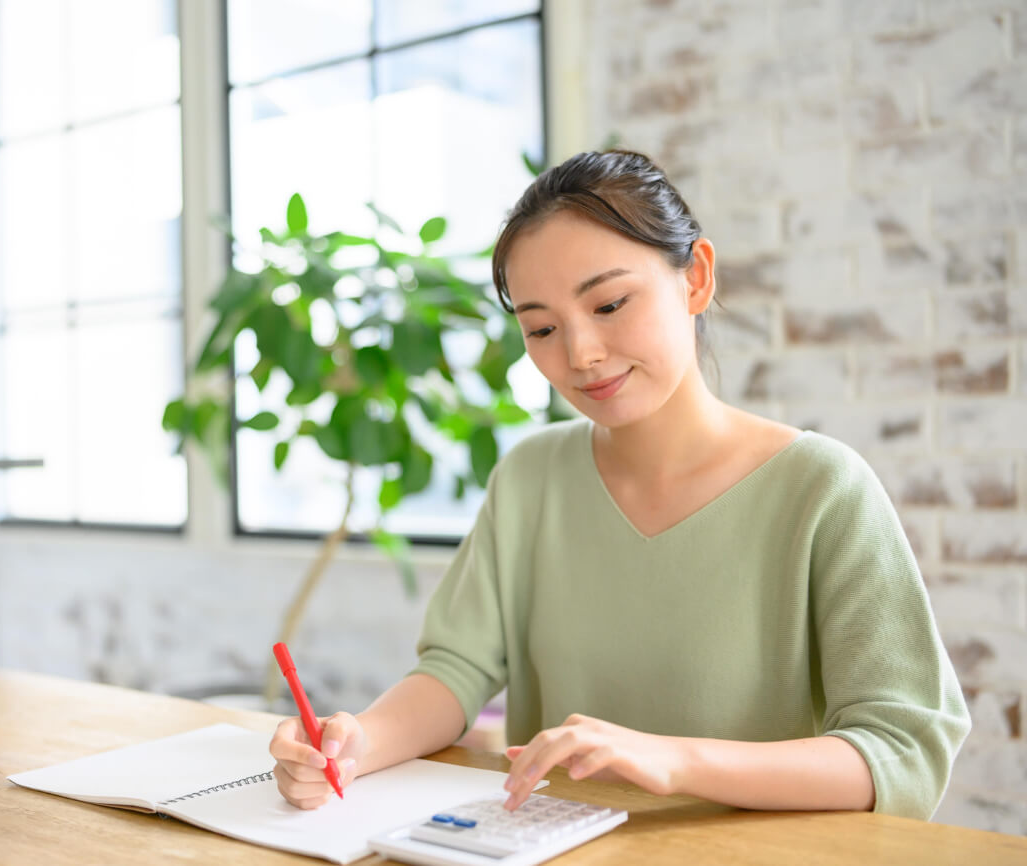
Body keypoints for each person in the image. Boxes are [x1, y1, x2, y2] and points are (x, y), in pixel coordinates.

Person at [268, 150, 970, 821]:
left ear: (695, 277)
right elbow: (455, 670)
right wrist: (356, 744)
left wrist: (674, 760)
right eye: (540, 328)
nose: (580, 355)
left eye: (608, 306)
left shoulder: (822, 490)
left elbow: (901, 748)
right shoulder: (529, 480)